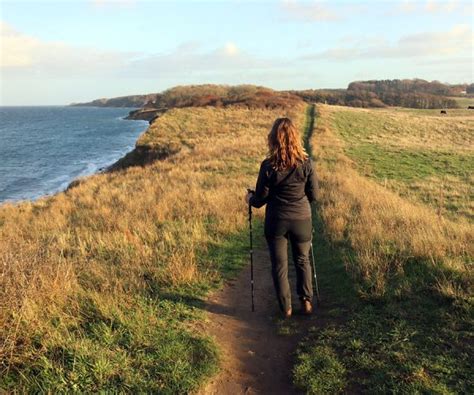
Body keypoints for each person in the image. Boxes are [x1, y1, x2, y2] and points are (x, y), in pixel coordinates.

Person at [244, 117, 318, 318]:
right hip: (302, 219)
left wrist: (250, 198)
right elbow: (315, 196)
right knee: (302, 260)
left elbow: (260, 200)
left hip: (276, 221)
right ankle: (306, 302)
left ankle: (286, 308)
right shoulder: (307, 164)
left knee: (279, 265)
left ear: (273, 139)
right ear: (296, 138)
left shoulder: (268, 166)